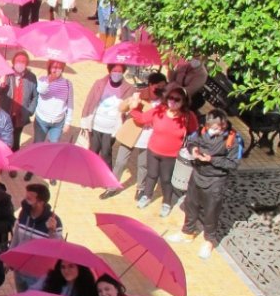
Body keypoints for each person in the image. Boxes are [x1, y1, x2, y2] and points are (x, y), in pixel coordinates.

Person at [166, 109, 242, 259]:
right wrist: (193, 149)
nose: (211, 131)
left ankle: (209, 241)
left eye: (215, 128)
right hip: (197, 174)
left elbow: (234, 163)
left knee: (211, 212)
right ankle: (187, 232)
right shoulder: (202, 131)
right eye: (209, 127)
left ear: (223, 125)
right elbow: (191, 141)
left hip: (216, 180)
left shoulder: (234, 139)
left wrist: (212, 160)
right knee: (190, 204)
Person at [131, 85, 199, 216]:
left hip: (171, 155)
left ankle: (167, 203)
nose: (172, 101)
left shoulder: (187, 116)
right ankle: (147, 195)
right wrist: (134, 108)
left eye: (177, 99)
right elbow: (142, 118)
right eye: (170, 98)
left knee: (166, 179)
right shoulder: (159, 110)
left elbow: (194, 133)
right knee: (151, 175)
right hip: (153, 150)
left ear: (183, 102)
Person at [102, 72, 168, 200]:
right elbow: (122, 108)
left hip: (149, 136)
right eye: (158, 86)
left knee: (143, 165)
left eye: (163, 86)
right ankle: (112, 187)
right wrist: (132, 100)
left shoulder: (164, 102)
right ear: (150, 85)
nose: (160, 88)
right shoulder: (140, 94)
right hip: (131, 132)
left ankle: (140, 189)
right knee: (120, 162)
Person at [80, 63, 136, 170]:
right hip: (96, 124)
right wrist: (84, 120)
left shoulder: (129, 89)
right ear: (110, 71)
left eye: (119, 71)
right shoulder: (99, 83)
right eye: (114, 71)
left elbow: (128, 109)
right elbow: (89, 101)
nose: (117, 74)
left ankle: (106, 175)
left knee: (106, 152)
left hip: (111, 128)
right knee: (92, 151)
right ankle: (89, 172)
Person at [9, 183, 63, 292]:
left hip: (37, 276)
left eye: (29, 199)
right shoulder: (24, 213)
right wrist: (10, 256)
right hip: (19, 269)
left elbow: (57, 249)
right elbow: (16, 237)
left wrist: (52, 231)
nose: (25, 201)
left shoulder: (54, 222)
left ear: (41, 202)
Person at [0, 51, 39, 153]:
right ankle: (0, 166)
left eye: (23, 61)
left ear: (27, 63)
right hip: (5, 114)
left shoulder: (31, 77)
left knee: (16, 142)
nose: (20, 63)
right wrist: (1, 83)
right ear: (13, 62)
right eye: (18, 61)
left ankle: (12, 166)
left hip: (20, 117)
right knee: (3, 141)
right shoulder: (5, 73)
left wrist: (29, 111)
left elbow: (35, 96)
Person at [34, 60, 75, 147]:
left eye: (59, 67)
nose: (56, 70)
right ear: (49, 68)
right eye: (54, 67)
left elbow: (70, 103)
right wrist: (48, 81)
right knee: (37, 145)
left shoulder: (67, 83)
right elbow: (41, 91)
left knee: (53, 147)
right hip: (41, 120)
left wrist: (68, 122)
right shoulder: (42, 79)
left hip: (58, 123)